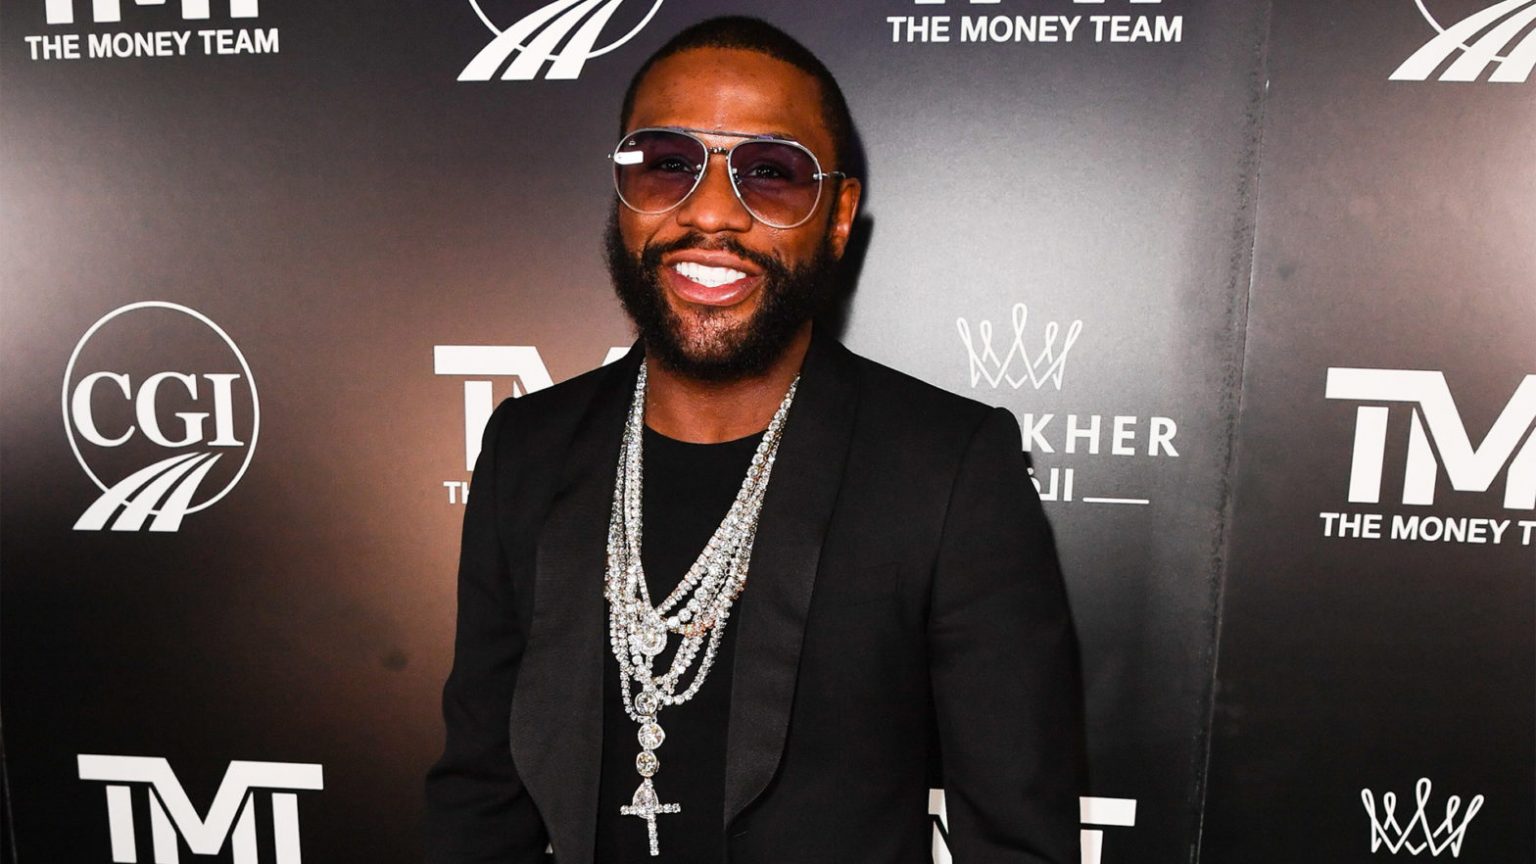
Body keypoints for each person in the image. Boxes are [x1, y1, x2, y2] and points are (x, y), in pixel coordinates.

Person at [425, 16, 1085, 864]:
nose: (709, 212)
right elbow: (480, 801)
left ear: (836, 216)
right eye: (668, 164)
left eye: (770, 173)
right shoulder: (527, 446)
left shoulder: (949, 468)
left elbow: (1018, 839)